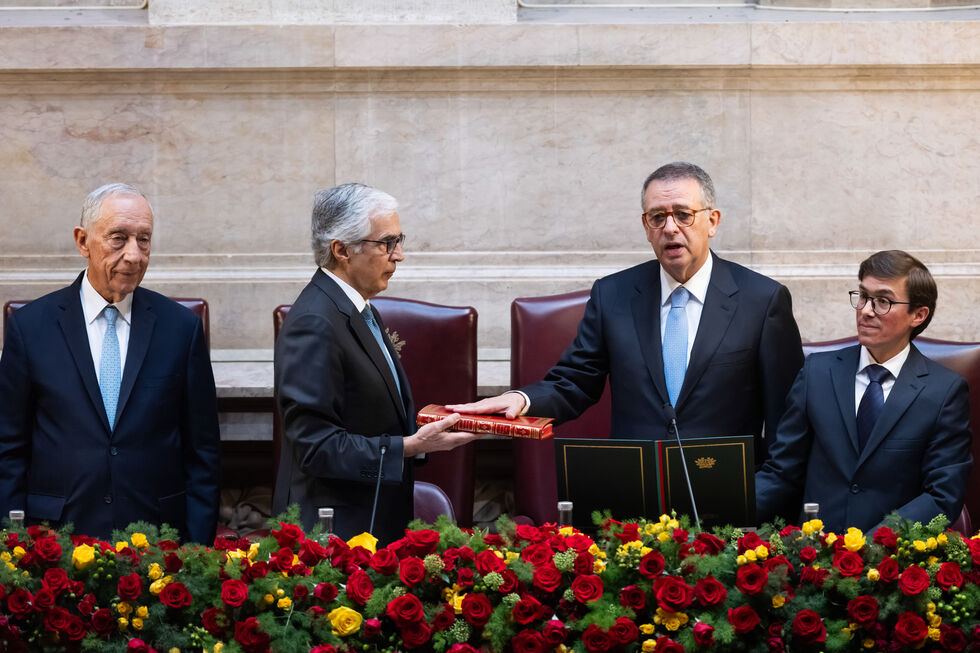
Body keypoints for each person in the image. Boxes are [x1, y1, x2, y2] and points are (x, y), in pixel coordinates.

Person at [449, 162, 803, 461]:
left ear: (712, 221)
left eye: (683, 215)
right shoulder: (613, 295)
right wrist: (520, 399)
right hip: (637, 495)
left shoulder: (762, 300)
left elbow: (786, 419)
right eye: (657, 217)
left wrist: (766, 503)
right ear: (646, 227)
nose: (669, 228)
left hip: (726, 495)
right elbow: (574, 381)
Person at [0, 183, 221, 544]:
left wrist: (196, 549)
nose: (134, 255)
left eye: (144, 240)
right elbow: (8, 450)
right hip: (55, 541)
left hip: (158, 543)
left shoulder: (180, 329)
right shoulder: (30, 328)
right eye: (119, 238)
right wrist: (13, 548)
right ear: (83, 241)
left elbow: (203, 453)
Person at [273, 183, 481, 543]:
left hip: (366, 524)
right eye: (387, 243)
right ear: (342, 250)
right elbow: (315, 447)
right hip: (331, 538)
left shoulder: (358, 309)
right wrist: (409, 446)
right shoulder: (314, 322)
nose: (398, 255)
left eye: (400, 241)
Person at [756, 250, 972, 533]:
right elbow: (783, 471)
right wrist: (717, 514)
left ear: (918, 315)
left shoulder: (944, 391)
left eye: (883, 301)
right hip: (815, 556)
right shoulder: (817, 374)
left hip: (896, 561)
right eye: (863, 296)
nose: (867, 310)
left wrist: (869, 546)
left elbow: (942, 496)